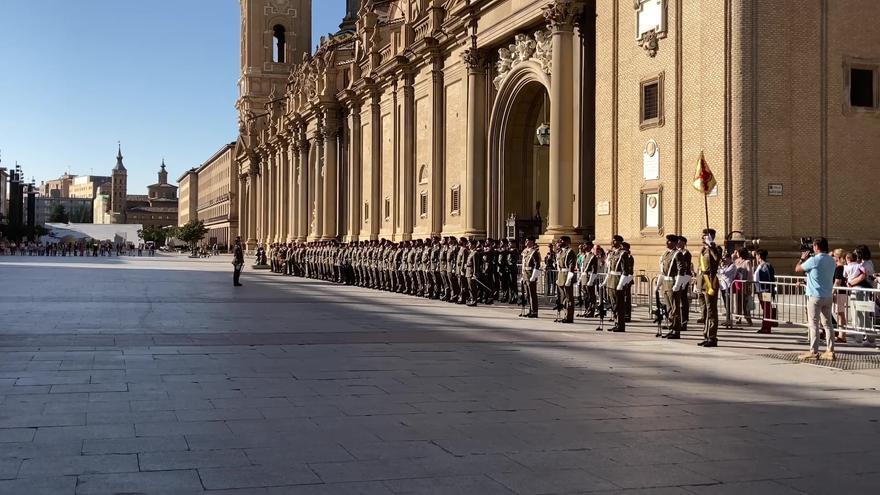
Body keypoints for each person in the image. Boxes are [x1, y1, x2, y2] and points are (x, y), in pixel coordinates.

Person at [795, 237, 836, 360]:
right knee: (828, 325)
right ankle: (830, 350)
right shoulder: (832, 260)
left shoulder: (814, 260)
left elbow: (797, 269)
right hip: (828, 295)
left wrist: (802, 259)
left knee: (814, 325)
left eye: (813, 246)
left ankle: (814, 351)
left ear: (816, 247)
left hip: (815, 296)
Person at [698, 228, 723, 347]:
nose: (702, 237)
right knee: (705, 311)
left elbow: (717, 259)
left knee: (711, 310)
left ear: (711, 236)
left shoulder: (716, 248)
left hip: (710, 281)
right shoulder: (703, 249)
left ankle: (712, 337)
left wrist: (711, 245)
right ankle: (706, 334)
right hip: (702, 281)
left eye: (705, 236)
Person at [555, 236, 577, 323]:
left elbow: (571, 266)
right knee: (562, 297)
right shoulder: (560, 252)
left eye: (562, 240)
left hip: (567, 275)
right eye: (559, 240)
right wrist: (558, 277)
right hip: (561, 275)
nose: (560, 242)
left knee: (568, 298)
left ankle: (569, 317)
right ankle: (564, 315)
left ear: (567, 242)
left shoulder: (570, 252)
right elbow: (559, 266)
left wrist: (569, 279)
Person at [754, 249, 776, 334]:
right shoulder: (760, 265)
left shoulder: (766, 265)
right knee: (765, 308)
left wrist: (771, 290)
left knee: (767, 309)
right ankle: (765, 325)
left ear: (759, 256)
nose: (755, 257)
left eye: (756, 255)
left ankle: (767, 326)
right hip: (760, 290)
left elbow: (770, 278)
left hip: (765, 290)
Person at [520, 237, 541, 318]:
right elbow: (523, 263)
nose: (526, 242)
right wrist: (522, 275)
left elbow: (537, 265)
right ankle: (530, 310)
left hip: (531, 273)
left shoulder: (534, 252)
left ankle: (534, 311)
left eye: (527, 240)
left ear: (532, 242)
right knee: (527, 294)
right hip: (525, 274)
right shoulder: (525, 251)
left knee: (532, 294)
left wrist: (534, 276)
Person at [832, 249, 849, 343]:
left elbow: (837, 282)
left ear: (837, 257)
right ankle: (842, 334)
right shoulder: (841, 267)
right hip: (841, 292)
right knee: (840, 314)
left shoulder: (839, 267)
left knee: (840, 314)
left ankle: (842, 335)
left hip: (839, 292)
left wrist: (832, 292)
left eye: (834, 256)